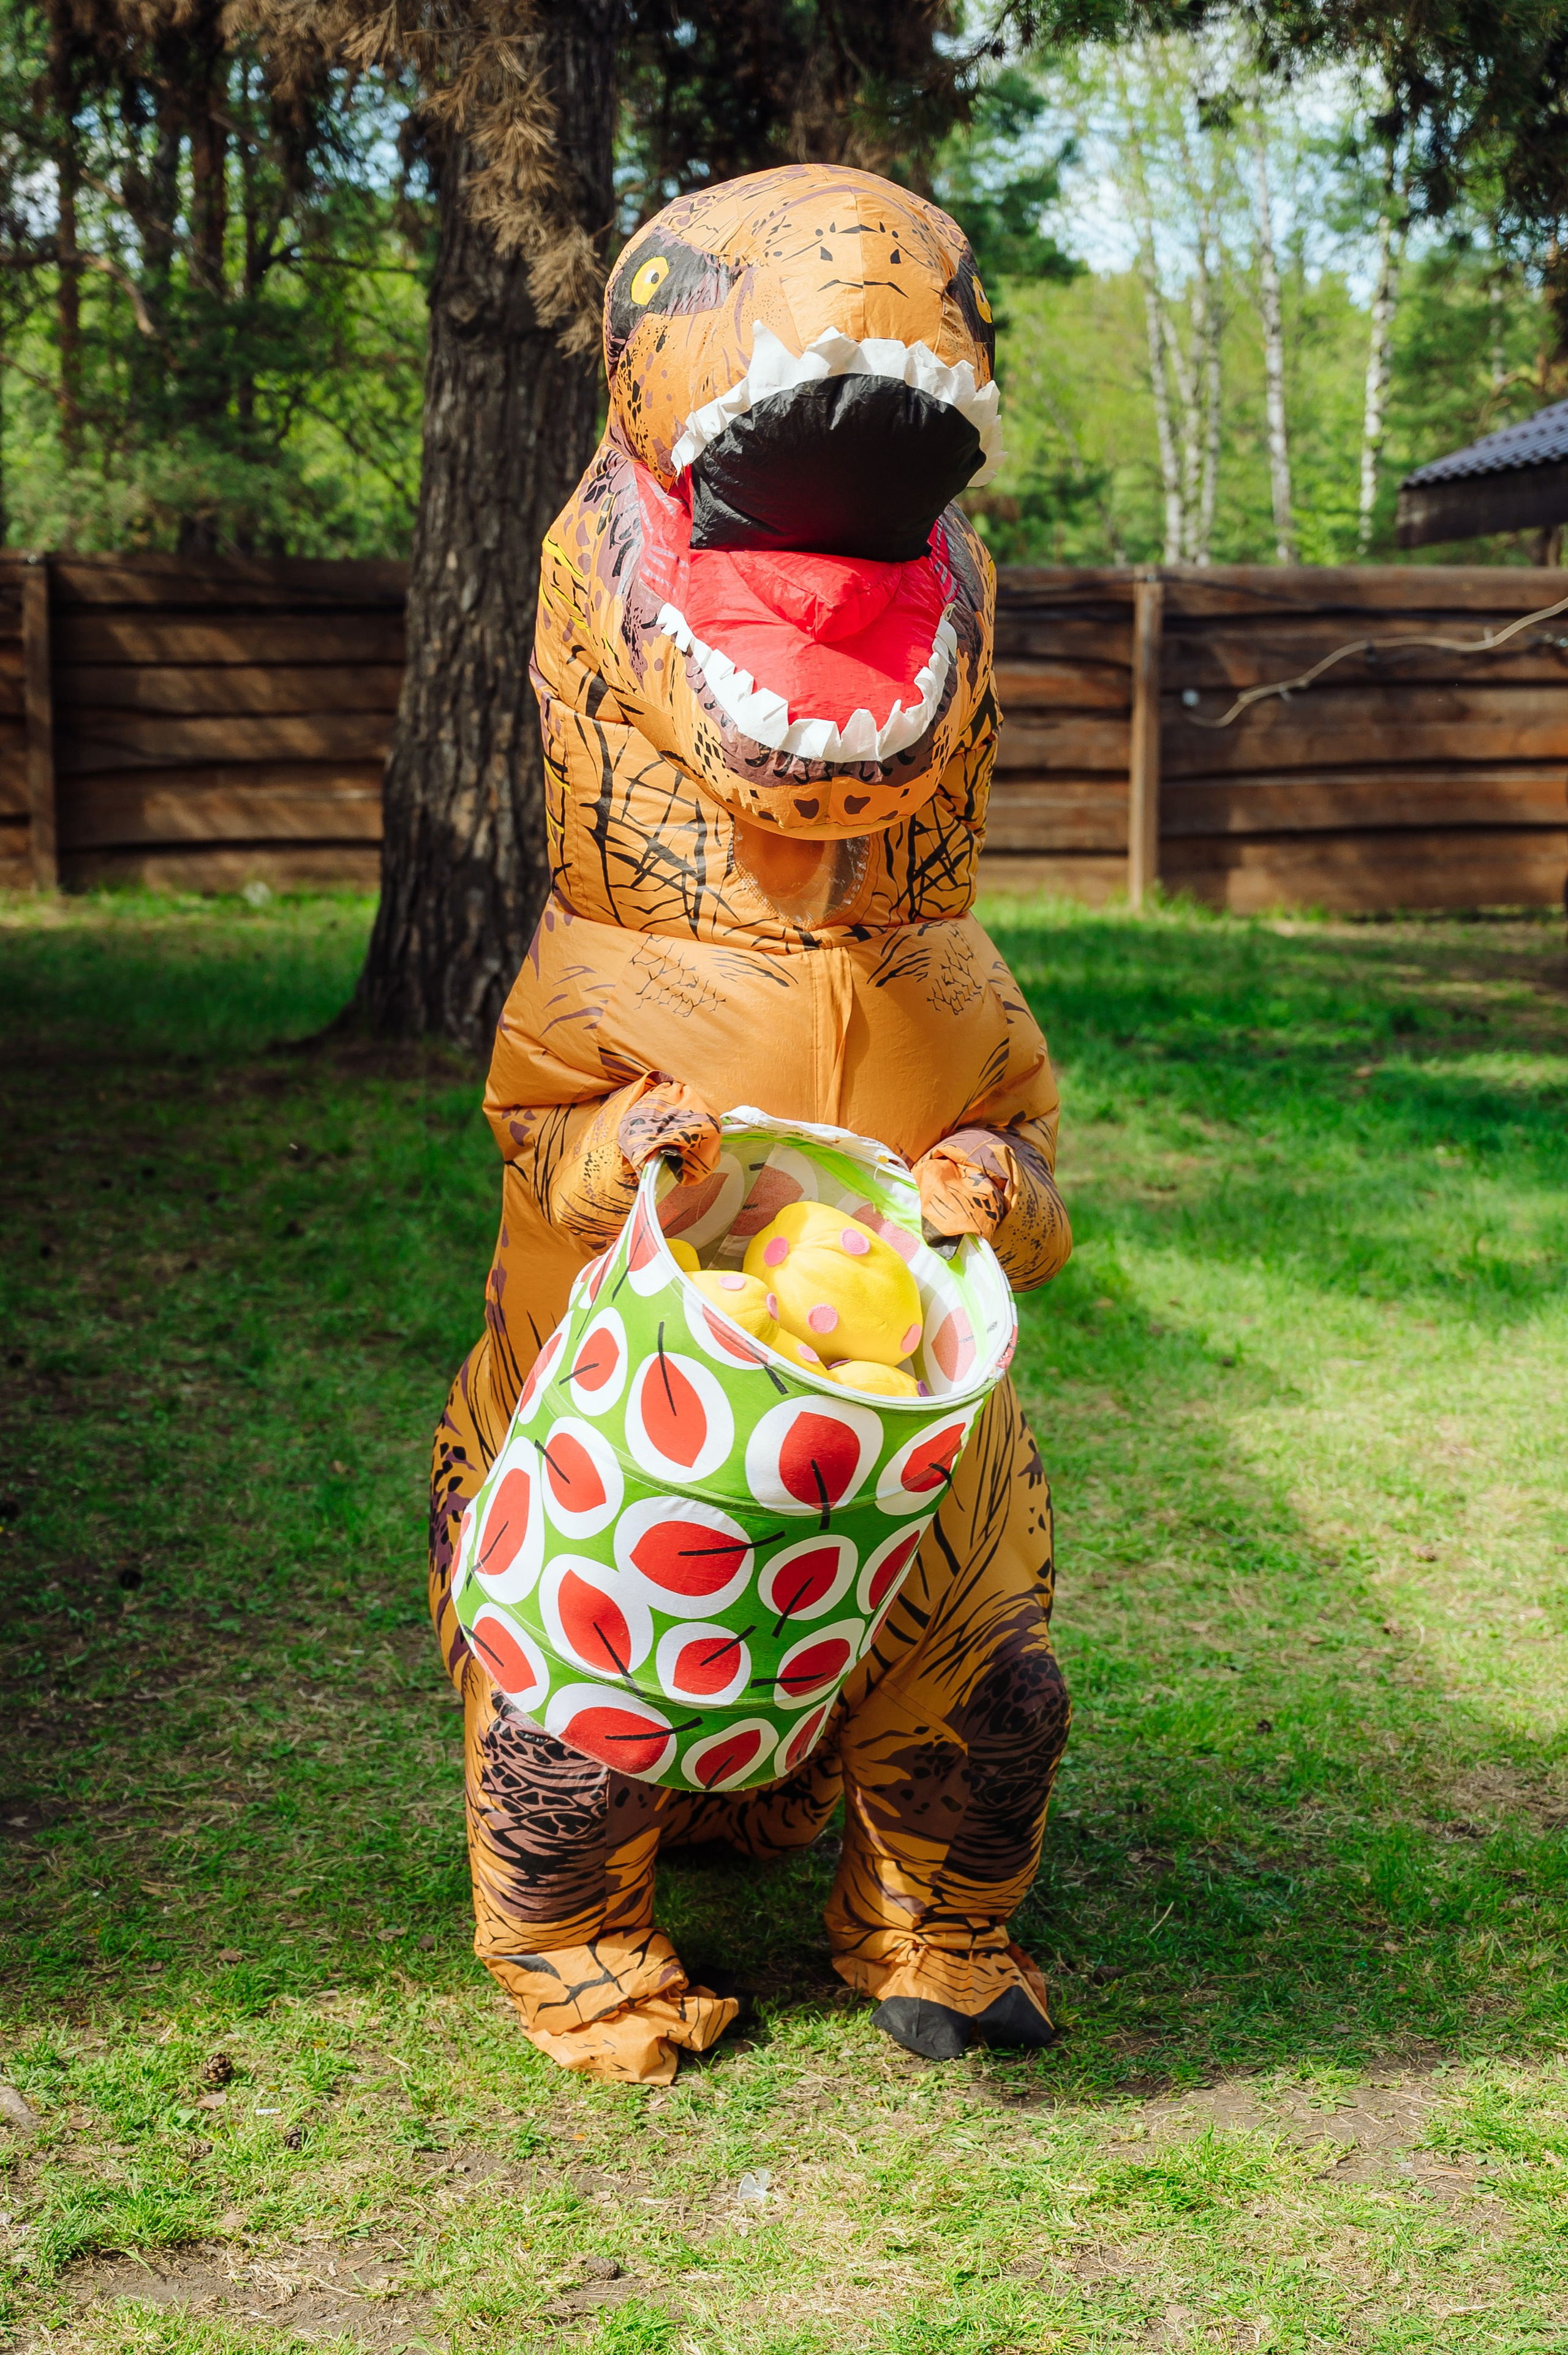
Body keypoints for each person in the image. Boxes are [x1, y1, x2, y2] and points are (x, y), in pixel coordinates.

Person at [429, 163, 1074, 2084]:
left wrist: (996, 1185)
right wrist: (614, 1159)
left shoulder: (958, 977)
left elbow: (1039, 1185)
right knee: (577, 1718)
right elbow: (535, 1141)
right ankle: (581, 1954)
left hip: (911, 1468)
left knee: (989, 1688)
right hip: (651, 1448)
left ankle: (937, 1926)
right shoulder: (592, 970)